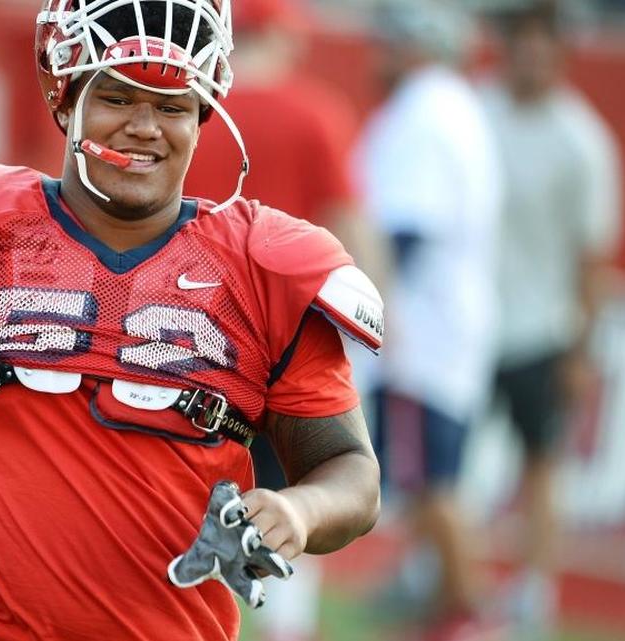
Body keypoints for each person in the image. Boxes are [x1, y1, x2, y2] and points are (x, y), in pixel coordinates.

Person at [0, 2, 384, 641]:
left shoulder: (262, 268)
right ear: (64, 98)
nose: (143, 127)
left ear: (202, 118)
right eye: (115, 97)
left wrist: (300, 510)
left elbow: (350, 471)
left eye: (171, 107)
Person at [183, 1, 385, 639]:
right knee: (293, 496)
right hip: (284, 338)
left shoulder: (189, 109)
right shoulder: (317, 113)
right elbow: (351, 227)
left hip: (178, 331)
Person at [353, 1, 502, 640]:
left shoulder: (426, 112)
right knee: (428, 479)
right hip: (444, 321)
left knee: (431, 480)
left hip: (423, 326)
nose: (381, 51)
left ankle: (467, 613)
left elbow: (407, 228)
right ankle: (448, 609)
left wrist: (371, 308)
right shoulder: (450, 108)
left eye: (394, 41)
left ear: (422, 47)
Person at [479, 1, 624, 636]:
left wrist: (581, 350)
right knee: (450, 460)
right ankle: (442, 570)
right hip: (472, 320)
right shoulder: (474, 111)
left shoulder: (582, 140)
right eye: (522, 38)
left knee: (540, 464)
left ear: (560, 50)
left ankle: (535, 592)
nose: (530, 52)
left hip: (542, 327)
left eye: (543, 40)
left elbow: (593, 257)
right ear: (506, 44)